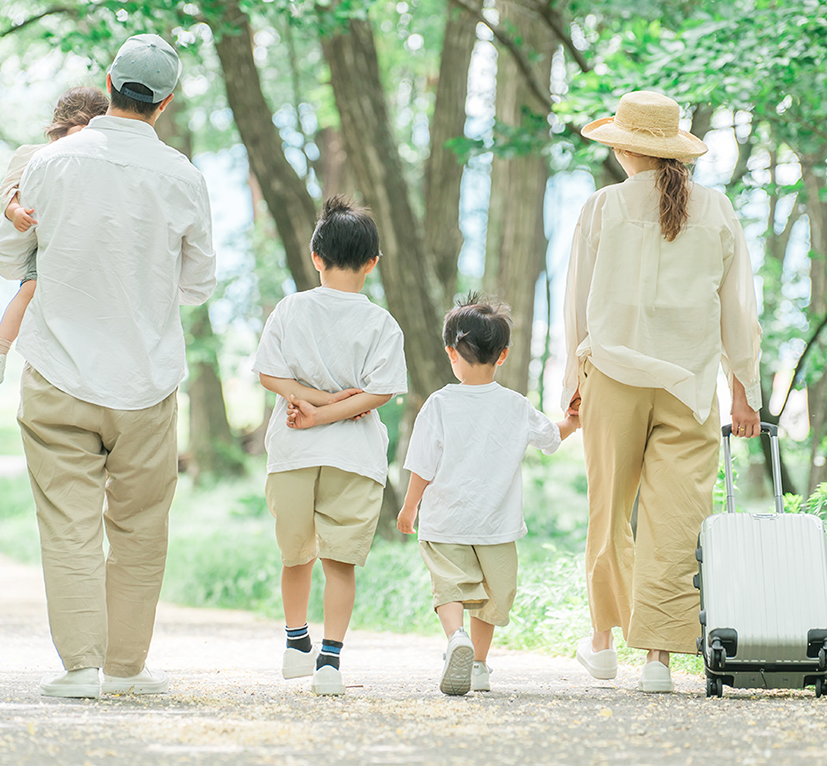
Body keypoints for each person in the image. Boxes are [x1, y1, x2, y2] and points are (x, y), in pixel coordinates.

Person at [0, 34, 216, 699]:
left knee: (69, 523)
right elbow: (198, 284)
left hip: (58, 371)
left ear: (109, 80)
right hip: (146, 381)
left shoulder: (50, 163)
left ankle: (82, 669)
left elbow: (10, 258)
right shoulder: (183, 176)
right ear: (166, 102)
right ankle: (127, 668)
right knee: (141, 528)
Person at [562, 90, 763, 694]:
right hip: (689, 387)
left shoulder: (602, 208)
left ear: (624, 146)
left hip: (614, 380)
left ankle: (601, 644)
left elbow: (578, 309)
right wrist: (744, 389)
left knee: (609, 515)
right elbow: (738, 312)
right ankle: (657, 660)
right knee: (677, 522)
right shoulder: (717, 209)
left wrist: (572, 387)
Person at [253, 195, 407, 697]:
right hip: (354, 457)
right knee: (340, 562)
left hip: (295, 451)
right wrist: (330, 406)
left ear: (316, 256)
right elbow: (378, 393)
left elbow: (269, 375)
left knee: (295, 555)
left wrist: (310, 407)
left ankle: (296, 645)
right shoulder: (382, 323)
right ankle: (330, 663)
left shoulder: (291, 308)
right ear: (372, 263)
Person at [395, 298, 579, 696]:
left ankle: (454, 638)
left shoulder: (440, 404)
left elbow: (423, 464)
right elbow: (551, 437)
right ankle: (477, 664)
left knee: (450, 587)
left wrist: (410, 508)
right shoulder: (515, 405)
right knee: (494, 597)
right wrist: (573, 421)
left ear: (451, 354)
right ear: (503, 355)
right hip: (495, 525)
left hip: (446, 521)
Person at [0, 87, 110, 384]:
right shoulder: (33, 155)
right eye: (76, 134)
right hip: (45, 242)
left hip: (79, 244)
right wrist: (14, 211)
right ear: (60, 129)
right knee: (29, 290)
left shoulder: (100, 160)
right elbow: (7, 189)